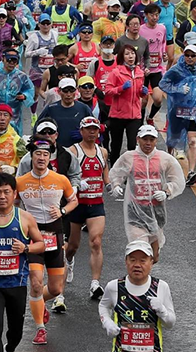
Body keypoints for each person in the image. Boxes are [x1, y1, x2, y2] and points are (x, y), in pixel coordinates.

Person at [0, 172, 45, 352]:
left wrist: (25, 248)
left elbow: (41, 244)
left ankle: (10, 347)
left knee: (16, 332)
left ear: (14, 193)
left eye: (6, 192)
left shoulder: (25, 218)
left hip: (16, 283)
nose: (2, 196)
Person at [16, 139, 78, 343]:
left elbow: (74, 201)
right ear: (31, 156)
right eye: (37, 154)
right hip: (33, 237)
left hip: (55, 235)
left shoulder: (60, 179)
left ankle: (38, 303)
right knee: (35, 283)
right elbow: (13, 205)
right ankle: (40, 329)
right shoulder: (21, 181)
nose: (41, 158)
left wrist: (62, 211)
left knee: (55, 289)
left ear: (50, 157)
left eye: (45, 154)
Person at [109, 125, 185, 261]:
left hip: (157, 211)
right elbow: (116, 173)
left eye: (151, 139)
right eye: (145, 139)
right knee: (141, 250)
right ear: (138, 139)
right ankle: (139, 273)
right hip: (135, 210)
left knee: (154, 257)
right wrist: (115, 186)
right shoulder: (129, 157)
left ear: (156, 141)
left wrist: (166, 192)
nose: (148, 143)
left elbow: (178, 180)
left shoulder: (165, 158)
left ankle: (146, 270)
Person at [98, 240, 176, 352]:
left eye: (143, 261)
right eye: (132, 260)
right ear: (126, 261)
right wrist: (107, 322)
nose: (137, 265)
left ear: (151, 262)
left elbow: (170, 324)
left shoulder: (160, 287)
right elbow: (104, 306)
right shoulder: (114, 287)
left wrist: (162, 311)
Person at [65, 117, 110, 299]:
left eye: (95, 129)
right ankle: (69, 261)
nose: (92, 132)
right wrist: (76, 183)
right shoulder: (73, 151)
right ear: (81, 131)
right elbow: (64, 175)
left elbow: (105, 174)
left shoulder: (103, 152)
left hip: (96, 203)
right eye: (88, 129)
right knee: (72, 246)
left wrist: (111, 186)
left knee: (96, 241)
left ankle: (95, 283)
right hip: (77, 204)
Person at [159, 44, 196, 184]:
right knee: (172, 140)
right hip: (178, 110)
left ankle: (191, 172)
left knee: (192, 141)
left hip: (193, 111)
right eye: (187, 55)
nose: (190, 58)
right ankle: (168, 161)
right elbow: (163, 84)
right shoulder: (176, 69)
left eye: (193, 55)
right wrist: (178, 89)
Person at [104, 43, 147, 164]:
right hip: (118, 115)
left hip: (134, 115)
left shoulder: (139, 72)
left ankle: (131, 169)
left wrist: (142, 92)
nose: (131, 56)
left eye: (132, 53)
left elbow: (139, 93)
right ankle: (114, 170)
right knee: (116, 145)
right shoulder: (116, 72)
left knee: (133, 145)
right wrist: (121, 88)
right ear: (122, 57)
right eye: (127, 54)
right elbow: (108, 91)